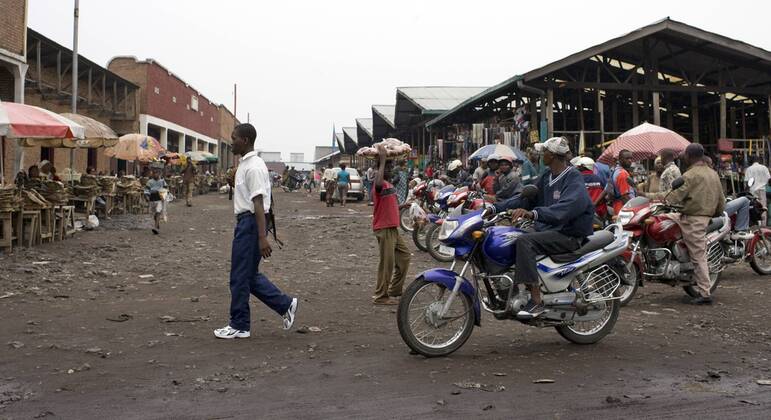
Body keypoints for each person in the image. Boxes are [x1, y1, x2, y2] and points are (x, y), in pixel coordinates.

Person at [214, 123, 298, 339]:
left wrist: (262, 238)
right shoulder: (246, 164)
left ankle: (239, 324)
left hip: (250, 223)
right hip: (247, 222)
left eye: (234, 138)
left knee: (239, 276)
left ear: (245, 140)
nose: (231, 141)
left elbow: (259, 203)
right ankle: (285, 304)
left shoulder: (254, 167)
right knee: (247, 275)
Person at [494, 137, 594, 318]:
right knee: (509, 236)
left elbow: (567, 208)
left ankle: (536, 300)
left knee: (524, 241)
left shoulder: (573, 177)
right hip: (548, 230)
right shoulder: (546, 176)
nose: (541, 154)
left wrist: (534, 213)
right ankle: (509, 294)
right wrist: (494, 207)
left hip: (568, 234)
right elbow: (524, 198)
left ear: (553, 155)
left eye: (544, 152)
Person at [664, 144, 724, 305]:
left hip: (694, 219)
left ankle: (705, 293)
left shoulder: (690, 175)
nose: (683, 157)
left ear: (690, 156)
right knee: (662, 219)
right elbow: (721, 201)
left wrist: (650, 196)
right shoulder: (713, 174)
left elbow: (675, 197)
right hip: (692, 216)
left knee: (698, 256)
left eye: (684, 155)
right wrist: (714, 214)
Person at [371, 143, 410, 305]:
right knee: (386, 263)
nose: (389, 170)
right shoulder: (378, 184)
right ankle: (381, 296)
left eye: (390, 167)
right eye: (386, 167)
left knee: (405, 257)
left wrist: (404, 206)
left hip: (393, 228)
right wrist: (382, 160)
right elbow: (379, 182)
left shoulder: (390, 185)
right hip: (384, 228)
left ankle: (394, 290)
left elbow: (390, 206)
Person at [608, 149, 636, 215]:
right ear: (620, 159)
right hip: (624, 209)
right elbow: (625, 197)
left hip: (617, 206)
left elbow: (607, 190)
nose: (630, 161)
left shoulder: (615, 171)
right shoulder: (622, 174)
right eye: (627, 158)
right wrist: (634, 211)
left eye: (631, 158)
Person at [744, 156, 770, 225]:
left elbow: (748, 182)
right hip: (762, 190)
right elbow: (769, 179)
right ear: (759, 161)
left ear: (752, 161)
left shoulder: (749, 169)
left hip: (753, 191)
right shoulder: (764, 168)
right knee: (763, 207)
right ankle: (763, 224)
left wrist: (746, 190)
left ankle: (756, 224)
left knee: (754, 207)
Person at [144, 169, 167, 235]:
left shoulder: (162, 181)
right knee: (154, 214)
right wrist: (146, 196)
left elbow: (166, 188)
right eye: (154, 173)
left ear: (159, 174)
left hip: (159, 198)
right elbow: (146, 190)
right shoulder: (150, 182)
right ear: (152, 174)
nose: (155, 175)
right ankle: (157, 223)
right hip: (152, 199)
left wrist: (164, 195)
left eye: (157, 173)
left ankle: (155, 227)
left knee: (158, 212)